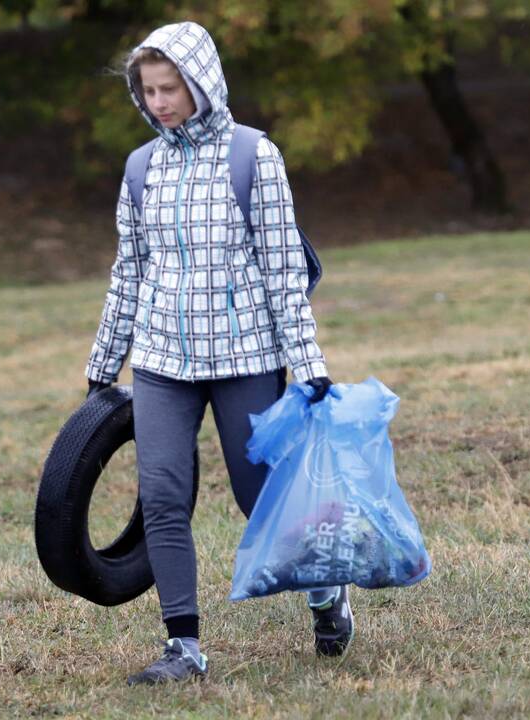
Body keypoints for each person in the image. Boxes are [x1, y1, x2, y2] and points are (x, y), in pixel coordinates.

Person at [84, 21, 352, 686]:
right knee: (163, 496)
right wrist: (102, 364)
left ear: (201, 82)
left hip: (244, 354)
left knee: (258, 495)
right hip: (161, 361)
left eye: (170, 87)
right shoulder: (141, 168)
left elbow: (285, 270)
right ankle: (185, 648)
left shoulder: (252, 157)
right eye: (148, 90)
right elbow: (129, 271)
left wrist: (309, 365)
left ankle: (326, 594)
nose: (159, 102)